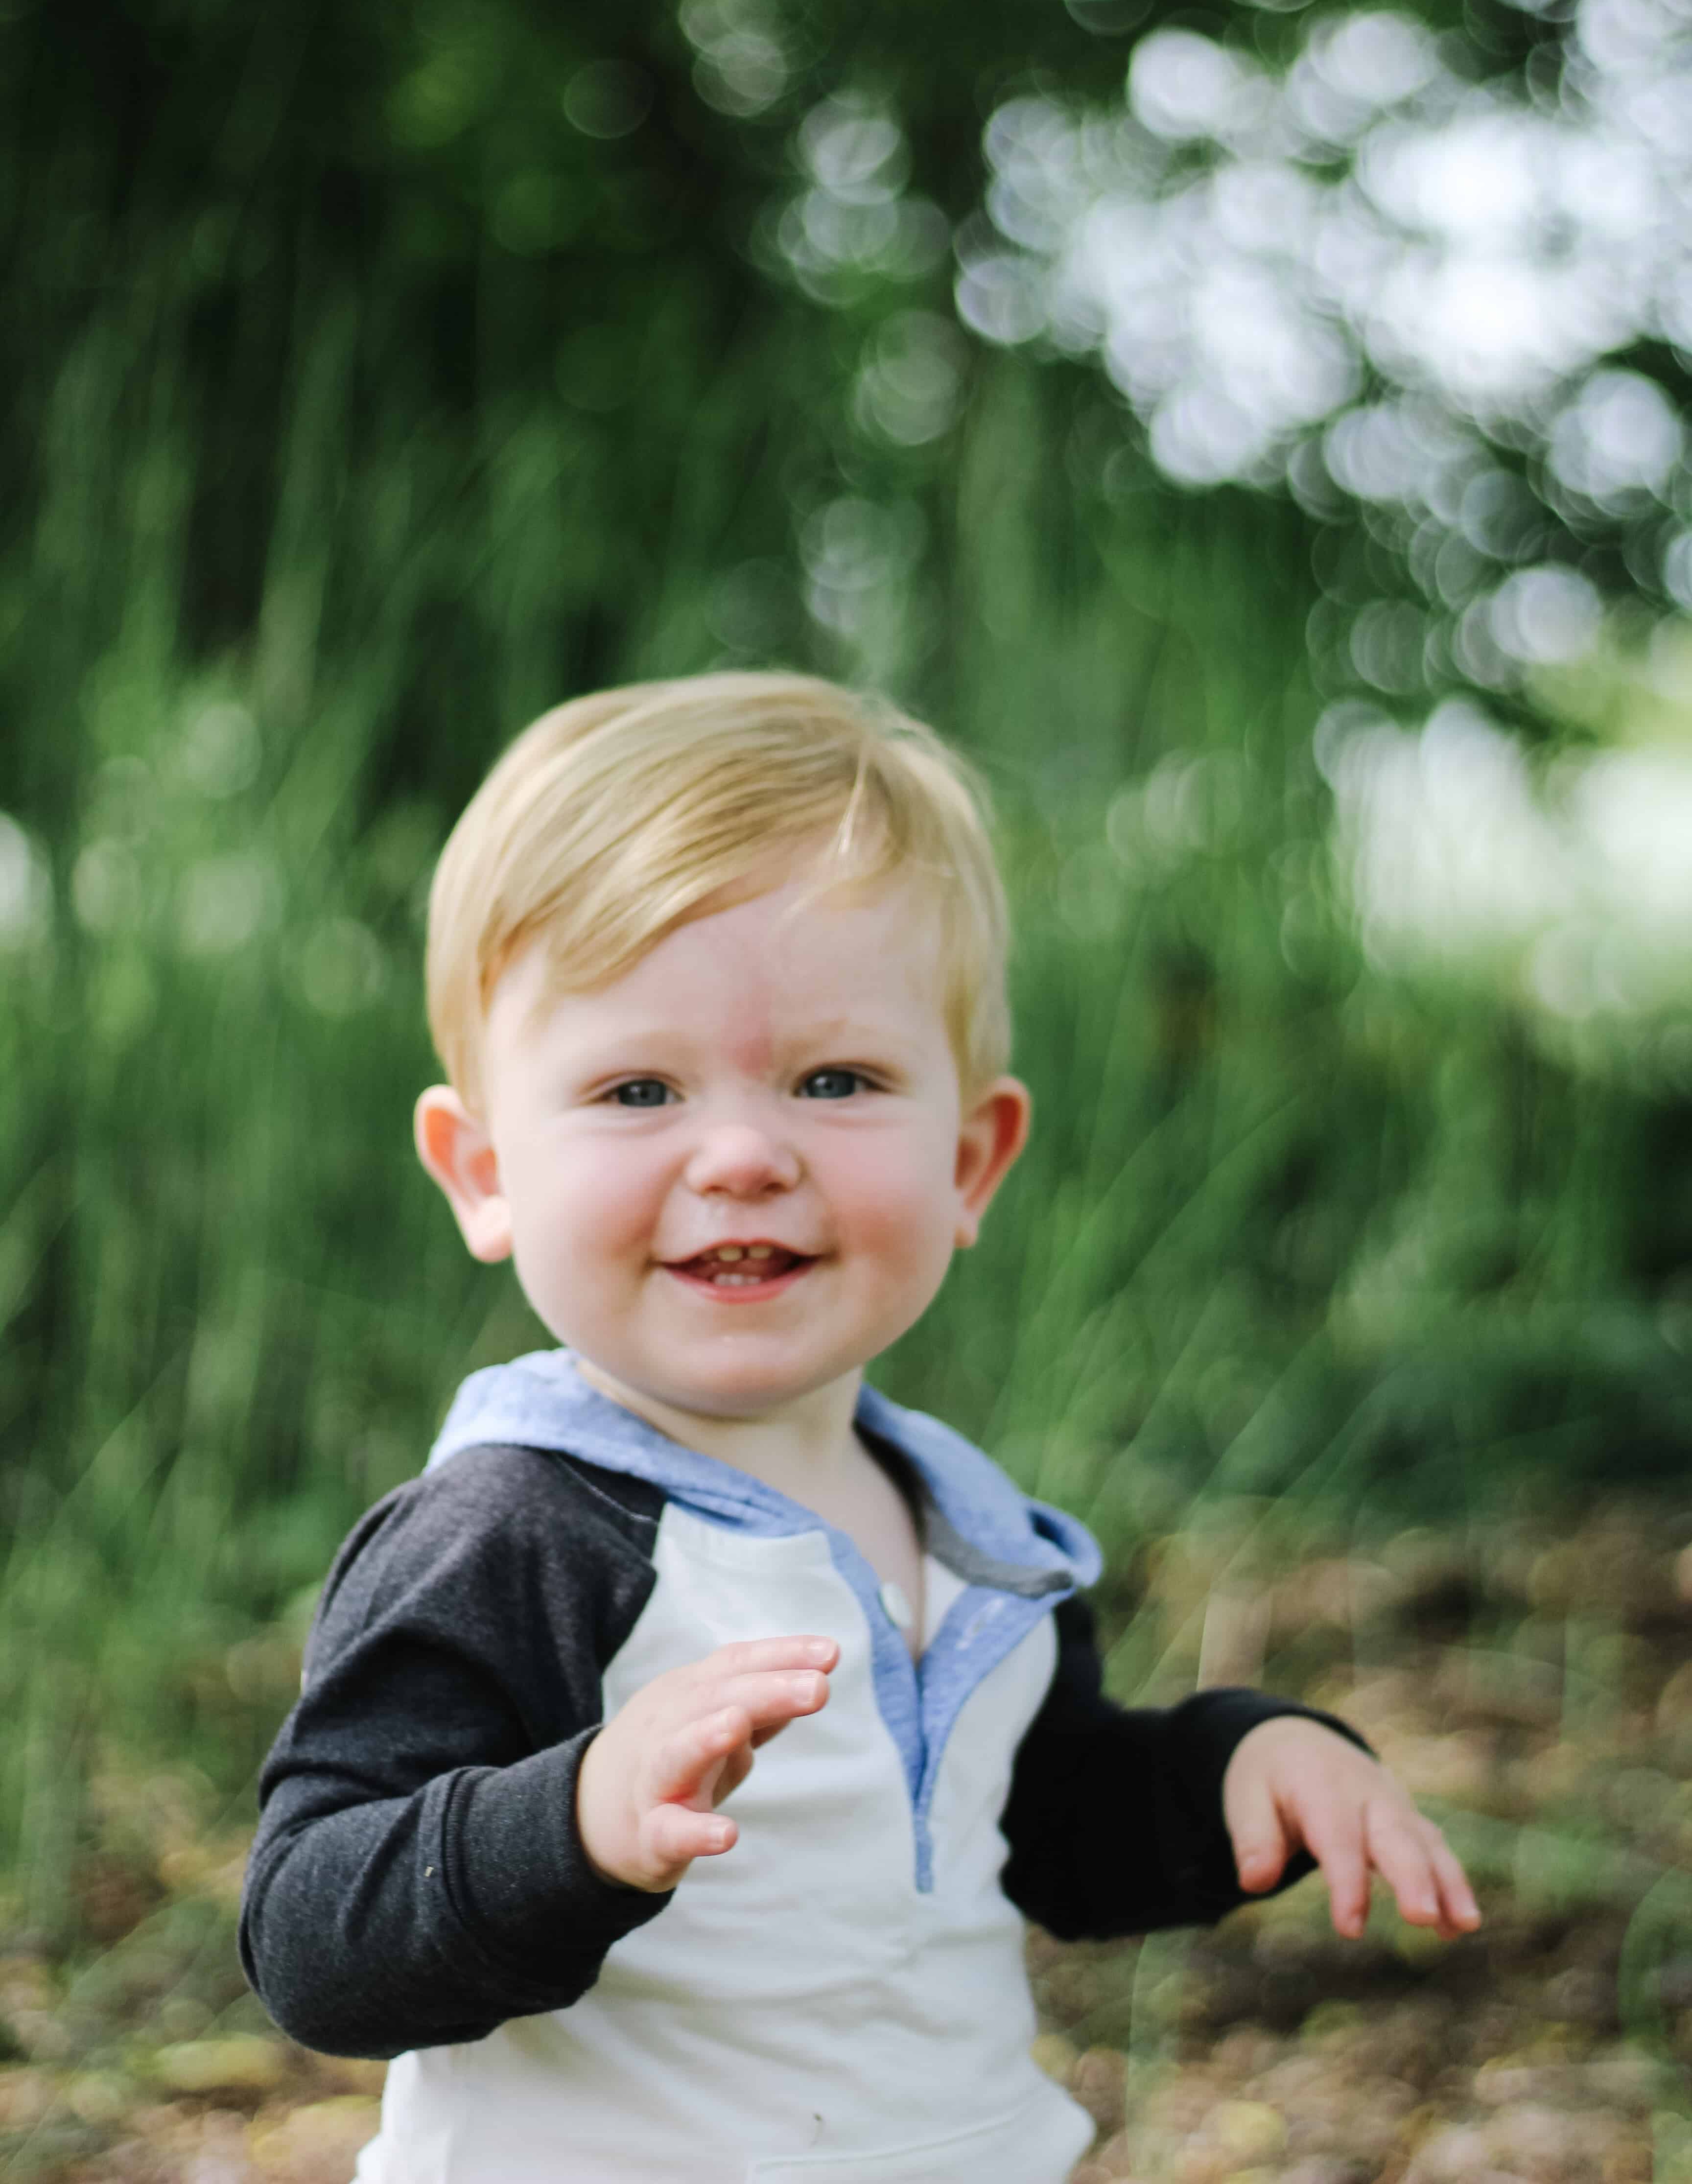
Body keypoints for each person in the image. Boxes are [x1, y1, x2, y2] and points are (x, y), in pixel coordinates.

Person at [240, 671, 1479, 2184]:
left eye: (837, 1080)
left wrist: (1238, 1768)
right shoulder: (513, 1530)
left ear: (970, 1159)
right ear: (484, 1172)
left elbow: (1043, 1822)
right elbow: (313, 1935)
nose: (747, 1153)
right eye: (639, 1088)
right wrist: (566, 1821)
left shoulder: (967, 1521)